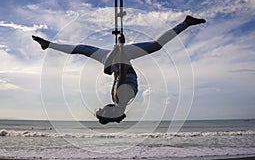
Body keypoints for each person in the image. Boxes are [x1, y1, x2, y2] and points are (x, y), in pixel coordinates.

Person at [32, 15, 206, 124]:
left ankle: (48, 45)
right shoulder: (122, 97)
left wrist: (115, 59)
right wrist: (120, 46)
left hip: (115, 59)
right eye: (103, 109)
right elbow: (121, 70)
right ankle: (186, 23)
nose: (103, 106)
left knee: (83, 50)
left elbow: (119, 73)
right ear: (110, 112)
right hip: (119, 57)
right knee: (155, 46)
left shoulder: (121, 102)